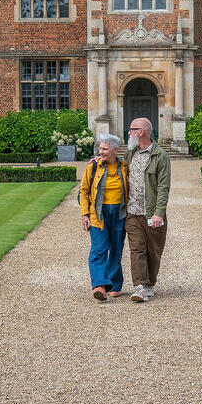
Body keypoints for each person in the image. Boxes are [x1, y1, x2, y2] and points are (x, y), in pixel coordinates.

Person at [124, 117, 171, 303]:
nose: (129, 133)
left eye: (131, 130)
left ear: (141, 132)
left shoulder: (160, 156)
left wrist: (159, 213)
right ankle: (140, 286)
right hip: (132, 212)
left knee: (154, 251)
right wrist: (100, 160)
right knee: (136, 249)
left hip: (151, 212)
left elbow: (163, 186)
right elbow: (117, 169)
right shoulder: (130, 153)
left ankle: (150, 284)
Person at [79, 133, 128, 302]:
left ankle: (114, 284)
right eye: (100, 148)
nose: (101, 151)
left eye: (105, 149)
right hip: (98, 213)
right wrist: (84, 214)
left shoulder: (124, 166)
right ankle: (99, 285)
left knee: (116, 248)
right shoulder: (93, 167)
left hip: (120, 212)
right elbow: (84, 191)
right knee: (99, 248)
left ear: (115, 150)